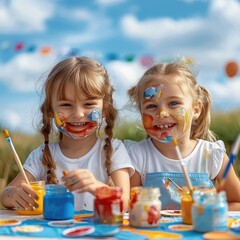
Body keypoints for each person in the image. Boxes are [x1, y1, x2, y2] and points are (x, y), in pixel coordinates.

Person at [1, 56, 134, 212]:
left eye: (89, 104)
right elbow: (5, 195)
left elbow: (124, 202)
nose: (78, 114)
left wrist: (96, 187)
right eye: (66, 105)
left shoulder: (114, 150)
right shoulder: (42, 155)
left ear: (105, 109)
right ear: (50, 110)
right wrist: (14, 194)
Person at [124, 59, 240, 210]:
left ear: (196, 109)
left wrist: (212, 210)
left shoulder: (211, 155)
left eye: (173, 103)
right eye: (151, 106)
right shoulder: (137, 156)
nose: (162, 113)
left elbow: (236, 203)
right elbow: (127, 207)